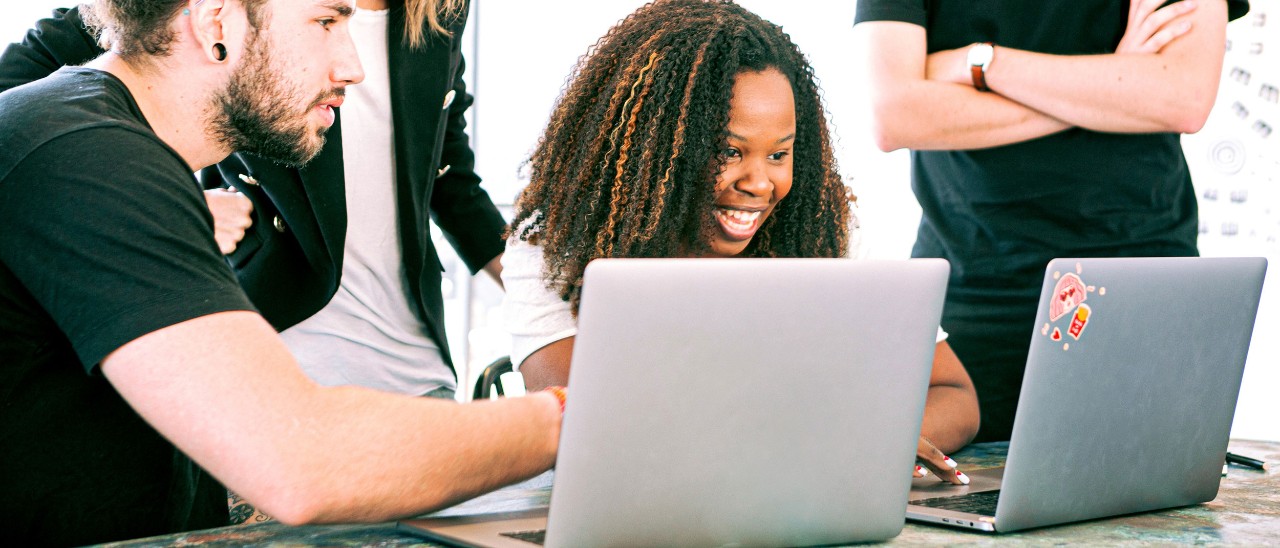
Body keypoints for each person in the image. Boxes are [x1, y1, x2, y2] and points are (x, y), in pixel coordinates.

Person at [0, 0, 560, 545]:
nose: (355, 68)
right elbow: (299, 462)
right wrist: (569, 415)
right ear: (216, 21)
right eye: (325, 21)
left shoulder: (110, 144)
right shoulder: (87, 157)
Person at [500, 0, 979, 482]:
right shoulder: (556, 242)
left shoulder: (822, 227)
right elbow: (584, 429)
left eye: (778, 154)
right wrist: (823, 436)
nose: (759, 183)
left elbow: (955, 397)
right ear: (660, 146)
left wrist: (874, 437)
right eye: (729, 150)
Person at [1, 0, 507, 399]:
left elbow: (447, 170)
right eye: (327, 21)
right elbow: (34, 104)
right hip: (274, 345)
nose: (352, 68)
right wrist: (168, 199)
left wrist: (545, 286)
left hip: (416, 364)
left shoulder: (439, 9)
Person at [852, 0, 1251, 442]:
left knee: (1151, 496)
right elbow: (894, 114)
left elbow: (1182, 98)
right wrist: (1113, 81)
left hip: (1138, 285)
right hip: (971, 298)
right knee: (939, 500)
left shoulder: (981, 63)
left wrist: (981, 63)